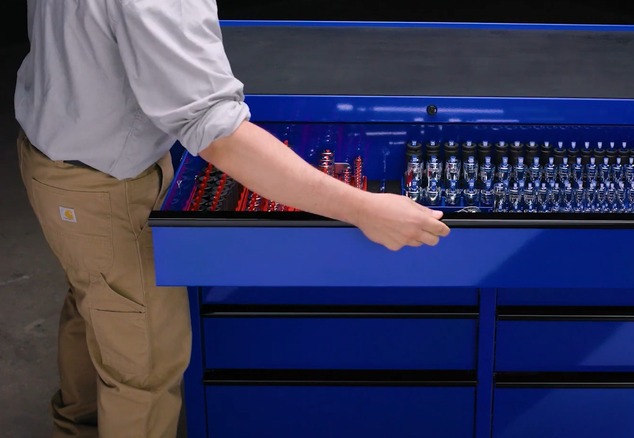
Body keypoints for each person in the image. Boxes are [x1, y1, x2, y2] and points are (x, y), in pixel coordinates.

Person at [15, 1, 451, 437]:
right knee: (142, 372)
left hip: (53, 159)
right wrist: (363, 208)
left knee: (95, 302)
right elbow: (218, 134)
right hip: (101, 184)